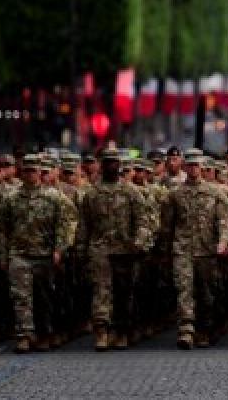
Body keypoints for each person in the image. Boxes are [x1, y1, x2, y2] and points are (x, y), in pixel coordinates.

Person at [0, 154, 78, 353]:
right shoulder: (11, 199)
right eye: (27, 170)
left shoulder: (54, 197)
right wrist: (3, 255)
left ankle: (43, 334)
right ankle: (24, 336)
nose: (30, 174)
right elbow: (1, 229)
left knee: (44, 298)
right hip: (19, 254)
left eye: (34, 170)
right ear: (22, 172)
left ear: (41, 172)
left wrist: (60, 249)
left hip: (45, 255)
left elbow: (65, 225)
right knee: (20, 297)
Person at [81, 149, 152, 351]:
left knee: (123, 292)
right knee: (101, 291)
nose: (111, 166)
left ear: (119, 166)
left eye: (114, 162)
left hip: (125, 251)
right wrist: (80, 249)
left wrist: (139, 242)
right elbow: (84, 225)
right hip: (100, 249)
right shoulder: (92, 193)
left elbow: (142, 221)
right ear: (102, 166)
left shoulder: (131, 192)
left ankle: (121, 331)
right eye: (107, 162)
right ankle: (102, 331)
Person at [169, 149, 228, 350]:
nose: (194, 169)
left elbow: (223, 222)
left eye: (197, 165)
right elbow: (168, 224)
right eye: (190, 165)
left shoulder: (215, 193)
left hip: (207, 250)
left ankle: (205, 329)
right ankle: (186, 330)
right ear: (185, 167)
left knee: (207, 292)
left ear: (202, 167)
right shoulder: (176, 194)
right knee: (184, 289)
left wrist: (223, 242)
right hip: (183, 249)